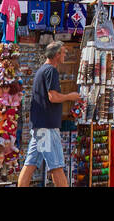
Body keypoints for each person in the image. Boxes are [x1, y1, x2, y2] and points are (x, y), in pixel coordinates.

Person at [17, 42, 82, 187]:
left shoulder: (42, 70)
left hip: (40, 125)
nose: (65, 55)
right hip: (47, 127)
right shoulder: (51, 71)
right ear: (57, 54)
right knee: (56, 166)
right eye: (64, 53)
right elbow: (53, 97)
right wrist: (70, 96)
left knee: (30, 164)